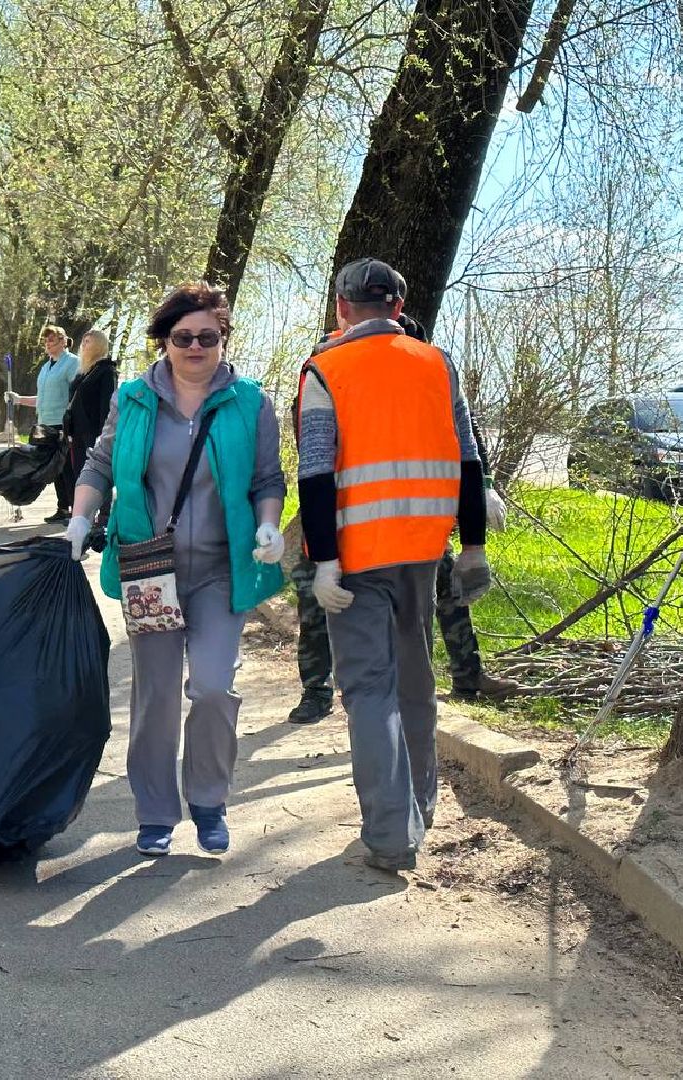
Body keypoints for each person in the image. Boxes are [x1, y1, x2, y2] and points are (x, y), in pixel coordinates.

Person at [67, 282, 286, 858]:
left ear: (223, 339)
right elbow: (99, 463)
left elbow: (268, 479)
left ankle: (209, 801)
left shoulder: (250, 402)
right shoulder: (133, 398)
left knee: (213, 688)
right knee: (157, 696)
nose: (195, 346)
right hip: (149, 569)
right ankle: (156, 812)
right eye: (182, 337)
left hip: (220, 570)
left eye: (206, 337)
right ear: (163, 341)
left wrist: (269, 525)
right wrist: (78, 519)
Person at [296, 257, 493, 874]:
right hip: (423, 552)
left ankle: (390, 836)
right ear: (399, 310)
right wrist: (474, 544)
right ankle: (422, 808)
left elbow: (316, 472)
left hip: (355, 559)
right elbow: (467, 456)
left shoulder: (325, 369)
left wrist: (323, 562)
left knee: (370, 689)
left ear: (342, 309)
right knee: (415, 678)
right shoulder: (438, 364)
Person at [286, 314, 517, 724]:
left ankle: (468, 675)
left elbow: (463, 434)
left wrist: (483, 485)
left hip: (413, 518)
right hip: (337, 516)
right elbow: (314, 451)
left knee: (449, 587)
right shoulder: (326, 368)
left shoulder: (427, 372)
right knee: (315, 600)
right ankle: (315, 690)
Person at [7, 324, 81, 523]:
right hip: (45, 423)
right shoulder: (46, 366)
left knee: (67, 468)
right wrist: (19, 399)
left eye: (51, 340)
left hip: (62, 423)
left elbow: (77, 395)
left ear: (63, 341)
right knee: (53, 469)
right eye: (45, 340)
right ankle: (62, 508)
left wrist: (72, 423)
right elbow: (43, 398)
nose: (47, 344)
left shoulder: (72, 363)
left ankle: (77, 510)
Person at [63, 329, 117, 491]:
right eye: (83, 341)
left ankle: (104, 514)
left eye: (89, 342)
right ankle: (84, 514)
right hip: (77, 432)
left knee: (98, 473)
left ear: (98, 345)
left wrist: (103, 434)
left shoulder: (106, 371)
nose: (84, 345)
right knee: (80, 473)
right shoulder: (84, 372)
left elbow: (107, 405)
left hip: (94, 432)